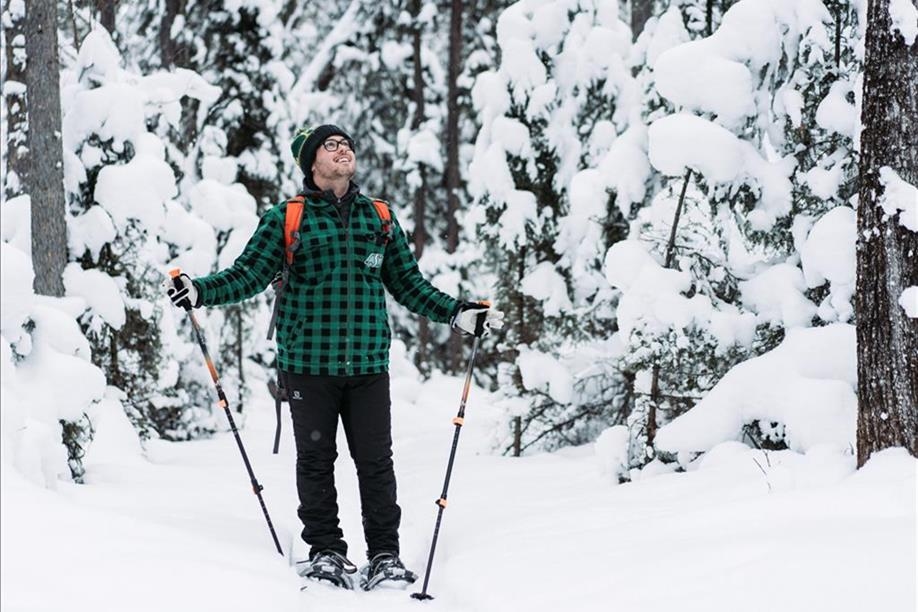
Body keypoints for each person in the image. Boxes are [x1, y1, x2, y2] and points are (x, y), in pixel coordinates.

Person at [164, 124, 504, 590]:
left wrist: (457, 314)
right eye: (331, 145)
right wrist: (199, 292)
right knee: (316, 460)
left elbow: (409, 284)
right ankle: (326, 551)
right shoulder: (287, 218)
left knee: (375, 461)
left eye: (346, 143)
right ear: (311, 163)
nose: (343, 149)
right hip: (307, 363)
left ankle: (384, 554)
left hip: (367, 366)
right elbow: (247, 275)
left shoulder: (379, 218)